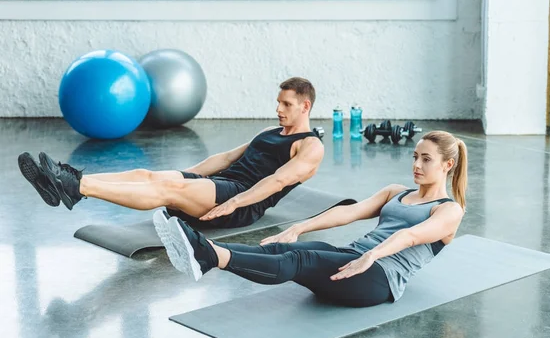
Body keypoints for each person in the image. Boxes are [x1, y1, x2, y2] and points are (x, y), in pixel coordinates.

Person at [154, 130, 468, 308]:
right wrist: (299, 226)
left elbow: (410, 237)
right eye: (415, 156)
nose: (416, 164)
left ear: (447, 164)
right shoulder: (396, 192)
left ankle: (208, 256)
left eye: (426, 159)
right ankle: (204, 248)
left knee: (302, 259)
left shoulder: (448, 211)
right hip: (353, 257)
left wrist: (372, 255)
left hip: (378, 279)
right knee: (281, 248)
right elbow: (349, 212)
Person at [18, 77, 324, 229]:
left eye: (286, 104)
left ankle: (75, 187)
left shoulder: (310, 146)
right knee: (149, 175)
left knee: (167, 188)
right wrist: (187, 174)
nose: (278, 109)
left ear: (305, 106)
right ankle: (69, 181)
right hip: (221, 184)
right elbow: (227, 158)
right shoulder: (269, 132)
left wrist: (234, 202)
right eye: (278, 102)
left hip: (241, 202)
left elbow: (277, 182)